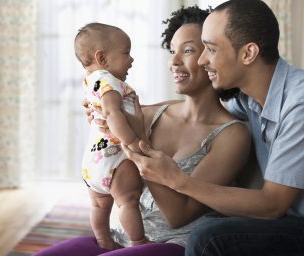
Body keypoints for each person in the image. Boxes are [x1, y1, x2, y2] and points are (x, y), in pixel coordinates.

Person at [123, 1, 304, 255]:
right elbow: (200, 110)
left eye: (212, 50)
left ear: (248, 53)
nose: (204, 60)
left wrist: (177, 180)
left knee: (208, 238)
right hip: (293, 220)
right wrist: (125, 110)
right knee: (211, 221)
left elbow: (272, 205)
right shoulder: (250, 99)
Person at [34, 6, 250, 256]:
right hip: (125, 237)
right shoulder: (150, 112)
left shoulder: (232, 135)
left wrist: (142, 140)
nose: (174, 61)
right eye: (172, 51)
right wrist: (98, 116)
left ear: (212, 56)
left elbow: (177, 216)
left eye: (188, 50)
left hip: (175, 245)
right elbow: (111, 134)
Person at [74, 22, 147, 249]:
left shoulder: (91, 79)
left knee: (98, 205)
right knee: (127, 202)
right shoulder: (109, 81)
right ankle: (138, 242)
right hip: (114, 156)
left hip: (92, 161)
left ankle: (104, 240)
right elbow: (112, 112)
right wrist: (132, 142)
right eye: (126, 53)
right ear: (102, 59)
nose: (131, 59)